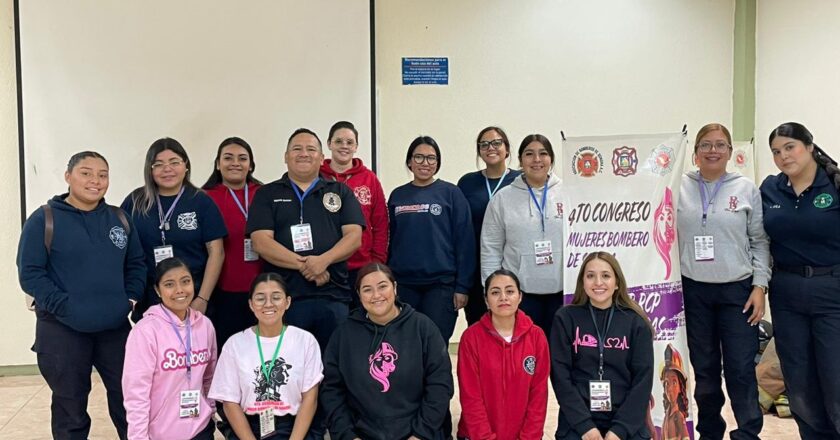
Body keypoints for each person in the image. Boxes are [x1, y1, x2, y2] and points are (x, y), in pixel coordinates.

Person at [16, 151, 146, 439]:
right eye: (86, 173)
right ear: (68, 177)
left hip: (114, 329)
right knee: (70, 408)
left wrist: (129, 299)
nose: (95, 181)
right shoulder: (44, 219)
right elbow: (31, 274)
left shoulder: (119, 218)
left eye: (102, 174)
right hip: (62, 331)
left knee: (130, 403)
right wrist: (65, 307)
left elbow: (136, 264)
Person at [676, 123, 768, 440]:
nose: (713, 150)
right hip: (694, 290)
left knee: (741, 369)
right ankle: (710, 431)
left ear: (730, 152)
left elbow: (759, 242)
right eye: (705, 145)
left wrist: (760, 286)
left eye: (720, 145)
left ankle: (747, 432)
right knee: (705, 370)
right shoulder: (679, 187)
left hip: (738, 290)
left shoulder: (746, 189)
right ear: (695, 153)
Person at [246, 128, 364, 351]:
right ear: (285, 156)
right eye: (297, 149)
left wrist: (324, 260)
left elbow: (354, 237)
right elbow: (261, 242)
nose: (304, 154)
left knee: (333, 366)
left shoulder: (340, 191)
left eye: (311, 149)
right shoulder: (267, 194)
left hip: (333, 295)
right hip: (286, 299)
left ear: (321, 158)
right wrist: (309, 265)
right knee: (289, 365)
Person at [760, 122, 840, 439]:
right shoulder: (770, 189)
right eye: (776, 152)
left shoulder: (833, 186)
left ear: (809, 147)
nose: (783, 156)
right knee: (799, 383)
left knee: (834, 380)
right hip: (786, 293)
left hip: (831, 290)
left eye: (789, 147)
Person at [321, 263, 454, 440]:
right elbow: (331, 390)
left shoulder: (423, 327)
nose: (376, 295)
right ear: (359, 295)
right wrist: (347, 435)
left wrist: (421, 433)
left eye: (383, 286)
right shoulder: (343, 335)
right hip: (362, 433)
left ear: (395, 287)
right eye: (367, 289)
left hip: (419, 433)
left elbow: (440, 384)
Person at [550, 252, 654, 440]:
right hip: (577, 424)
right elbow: (560, 377)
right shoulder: (565, 319)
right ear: (582, 282)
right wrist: (585, 427)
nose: (598, 282)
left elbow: (642, 382)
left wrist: (619, 431)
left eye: (606, 275)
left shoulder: (636, 323)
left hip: (626, 425)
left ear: (617, 283)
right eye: (590, 276)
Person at [122, 138, 227, 322]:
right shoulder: (135, 202)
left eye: (174, 162)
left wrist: (202, 298)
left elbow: (216, 252)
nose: (167, 169)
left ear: (186, 165)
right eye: (159, 164)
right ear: (150, 169)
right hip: (149, 299)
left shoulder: (201, 201)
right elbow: (121, 249)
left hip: (193, 296)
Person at [209, 272, 322, 440]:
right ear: (251, 304)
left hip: (294, 429)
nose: (268, 304)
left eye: (276, 297)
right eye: (260, 298)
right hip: (248, 429)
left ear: (287, 302)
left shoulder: (305, 341)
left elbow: (310, 398)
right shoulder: (235, 344)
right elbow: (229, 402)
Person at [387, 135, 475, 344]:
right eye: (418, 157)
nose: (424, 163)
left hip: (441, 286)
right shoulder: (397, 195)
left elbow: (465, 242)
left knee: (435, 346)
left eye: (431, 158)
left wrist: (462, 287)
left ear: (437, 163)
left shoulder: (451, 194)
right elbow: (389, 240)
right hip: (405, 285)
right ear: (409, 161)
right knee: (406, 344)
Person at [123, 257, 218, 440]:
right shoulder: (145, 332)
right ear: (158, 290)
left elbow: (209, 377)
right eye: (169, 284)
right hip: (162, 433)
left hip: (201, 429)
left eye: (185, 281)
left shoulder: (205, 325)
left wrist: (210, 410)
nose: (179, 290)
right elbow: (136, 394)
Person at [481, 134, 564, 337]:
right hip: (520, 295)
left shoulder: (568, 193)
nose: (536, 159)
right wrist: (490, 290)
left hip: (563, 293)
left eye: (543, 154)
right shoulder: (502, 199)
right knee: (524, 355)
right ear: (520, 160)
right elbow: (490, 247)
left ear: (551, 159)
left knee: (560, 355)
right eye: (529, 154)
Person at [456, 269, 548, 440]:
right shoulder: (471, 338)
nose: (503, 297)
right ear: (486, 300)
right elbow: (471, 397)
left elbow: (539, 396)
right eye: (495, 292)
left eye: (510, 291)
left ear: (520, 297)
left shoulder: (537, 337)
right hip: (477, 435)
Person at [319, 121, 389, 308]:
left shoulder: (369, 179)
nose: (344, 146)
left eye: (349, 142)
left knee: (362, 324)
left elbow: (381, 223)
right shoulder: (317, 177)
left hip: (361, 268)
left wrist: (376, 263)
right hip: (326, 267)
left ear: (356, 146)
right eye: (339, 141)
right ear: (329, 144)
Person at [203, 136, 263, 348]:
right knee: (226, 350)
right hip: (221, 292)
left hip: (262, 289)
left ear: (251, 165)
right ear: (218, 164)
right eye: (228, 158)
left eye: (242, 158)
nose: (235, 163)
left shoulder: (264, 194)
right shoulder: (204, 197)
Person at [457, 127, 521, 325]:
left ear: (507, 149)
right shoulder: (467, 183)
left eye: (496, 143)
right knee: (479, 326)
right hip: (477, 268)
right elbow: (460, 230)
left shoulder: (520, 181)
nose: (490, 148)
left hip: (515, 266)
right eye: (484, 144)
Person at [660, 344, 691, 440]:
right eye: (666, 383)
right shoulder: (666, 417)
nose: (669, 389)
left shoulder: (678, 416)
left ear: (680, 386)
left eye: (674, 382)